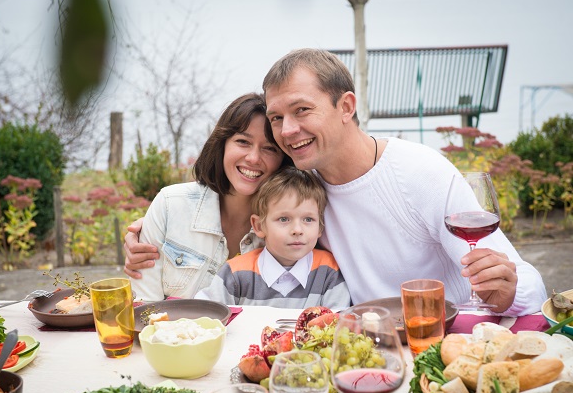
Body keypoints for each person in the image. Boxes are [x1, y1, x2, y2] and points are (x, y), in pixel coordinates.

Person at [126, 49, 547, 316]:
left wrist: (507, 290)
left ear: (346, 106)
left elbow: (529, 284)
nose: (286, 131)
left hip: (442, 334)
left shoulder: (421, 172)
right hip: (361, 345)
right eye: (277, 117)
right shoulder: (299, 187)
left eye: (302, 110)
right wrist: (144, 243)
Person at [129, 93, 292, 301]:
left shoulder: (293, 227)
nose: (253, 158)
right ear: (222, 145)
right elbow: (145, 307)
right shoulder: (170, 205)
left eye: (269, 148)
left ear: (283, 161)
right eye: (243, 142)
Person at [195, 167, 351, 308]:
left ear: (320, 227)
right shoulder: (235, 273)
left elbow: (338, 328)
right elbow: (206, 316)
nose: (297, 230)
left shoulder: (329, 271)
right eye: (284, 219)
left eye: (308, 219)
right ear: (259, 226)